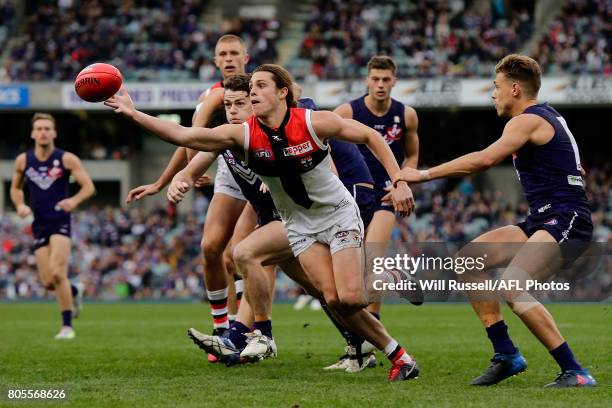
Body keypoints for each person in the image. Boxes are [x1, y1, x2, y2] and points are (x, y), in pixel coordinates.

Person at [105, 64, 420, 382]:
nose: (252, 91)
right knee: (335, 299)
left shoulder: (312, 121)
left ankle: (391, 277)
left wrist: (399, 179)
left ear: (282, 93)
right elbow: (185, 135)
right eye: (250, 86)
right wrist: (134, 113)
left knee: (351, 296)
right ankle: (401, 358)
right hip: (298, 224)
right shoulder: (241, 134)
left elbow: (369, 135)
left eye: (260, 86)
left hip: (337, 215)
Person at [394, 54, 597, 388]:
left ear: (515, 89)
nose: (493, 94)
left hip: (566, 220)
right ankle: (507, 355)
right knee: (468, 261)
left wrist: (422, 174)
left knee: (513, 286)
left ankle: (575, 371)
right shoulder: (546, 117)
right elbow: (569, 162)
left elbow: (485, 159)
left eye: (496, 86)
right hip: (543, 219)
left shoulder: (525, 120)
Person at [125, 35, 250, 359]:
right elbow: (190, 140)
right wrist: (174, 178)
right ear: (214, 60)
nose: (228, 58)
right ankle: (223, 327)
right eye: (222, 53)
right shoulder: (211, 98)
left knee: (235, 255)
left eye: (234, 53)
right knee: (211, 248)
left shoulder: (257, 88)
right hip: (229, 172)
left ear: (246, 57)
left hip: (265, 176)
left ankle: (244, 329)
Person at [334, 55, 419, 321]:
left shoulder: (406, 115)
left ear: (394, 81)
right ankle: (364, 334)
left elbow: (412, 155)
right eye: (375, 79)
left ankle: (374, 328)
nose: (380, 84)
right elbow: (325, 146)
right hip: (351, 195)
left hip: (384, 194)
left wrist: (400, 182)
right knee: (353, 269)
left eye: (385, 79)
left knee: (373, 259)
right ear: (366, 80)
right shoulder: (347, 112)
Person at [10, 113, 95, 339]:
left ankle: (67, 327)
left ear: (54, 132)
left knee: (58, 273)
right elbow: (16, 188)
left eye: (47, 128)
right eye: (39, 128)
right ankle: (75, 290)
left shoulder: (67, 159)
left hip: (60, 220)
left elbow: (88, 187)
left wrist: (73, 201)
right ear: (33, 133)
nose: (43, 132)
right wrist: (19, 205)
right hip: (39, 224)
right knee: (49, 282)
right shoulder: (23, 161)